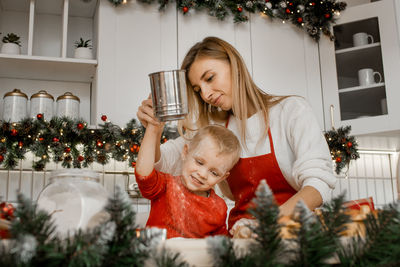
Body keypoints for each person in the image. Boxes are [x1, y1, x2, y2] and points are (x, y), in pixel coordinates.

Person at [137, 36, 336, 236]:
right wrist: (154, 129)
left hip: (291, 234)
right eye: (198, 90)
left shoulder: (290, 111)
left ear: (234, 65)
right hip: (240, 237)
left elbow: (318, 185)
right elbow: (161, 164)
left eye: (209, 78)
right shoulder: (214, 129)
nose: (205, 95)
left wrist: (268, 225)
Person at [135, 124, 241, 238]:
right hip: (159, 254)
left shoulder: (219, 207)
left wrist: (238, 234)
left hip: (192, 255)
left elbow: (219, 246)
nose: (202, 174)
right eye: (199, 162)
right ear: (185, 153)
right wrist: (152, 129)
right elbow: (143, 174)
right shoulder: (165, 185)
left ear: (222, 178)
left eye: (214, 173)